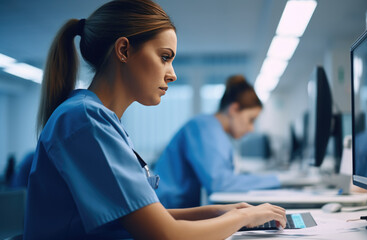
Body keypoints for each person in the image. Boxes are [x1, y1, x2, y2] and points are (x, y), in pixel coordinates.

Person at [24, 0, 286, 239]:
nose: (172, 74)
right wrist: (242, 217)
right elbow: (165, 235)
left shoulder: (101, 120)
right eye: (164, 57)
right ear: (124, 50)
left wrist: (220, 212)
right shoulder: (85, 120)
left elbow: (145, 218)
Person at [155, 75, 283, 209]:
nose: (251, 128)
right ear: (234, 109)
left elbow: (225, 176)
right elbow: (219, 183)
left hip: (177, 210)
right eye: (251, 119)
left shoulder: (216, 131)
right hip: (165, 211)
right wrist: (277, 179)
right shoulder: (203, 128)